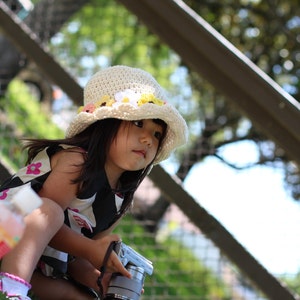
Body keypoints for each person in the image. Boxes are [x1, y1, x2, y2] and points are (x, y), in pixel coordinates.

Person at [0, 65, 188, 300]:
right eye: (139, 123)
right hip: (8, 225)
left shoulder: (118, 200)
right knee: (51, 211)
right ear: (107, 122)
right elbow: (39, 219)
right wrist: (90, 250)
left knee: (82, 296)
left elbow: (76, 256)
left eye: (157, 134)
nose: (148, 139)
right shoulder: (77, 161)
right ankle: (14, 291)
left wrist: (100, 279)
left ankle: (15, 287)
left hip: (33, 261)